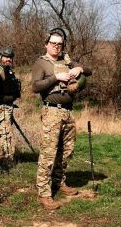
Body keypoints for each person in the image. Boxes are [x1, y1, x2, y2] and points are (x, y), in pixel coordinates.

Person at [31, 28, 91, 210]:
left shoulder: (67, 60)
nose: (56, 46)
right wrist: (56, 77)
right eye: (53, 43)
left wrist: (80, 69)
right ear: (46, 45)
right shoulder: (41, 63)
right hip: (52, 112)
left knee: (66, 151)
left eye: (59, 44)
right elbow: (35, 86)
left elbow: (89, 71)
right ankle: (44, 193)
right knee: (48, 153)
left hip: (68, 112)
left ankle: (59, 182)